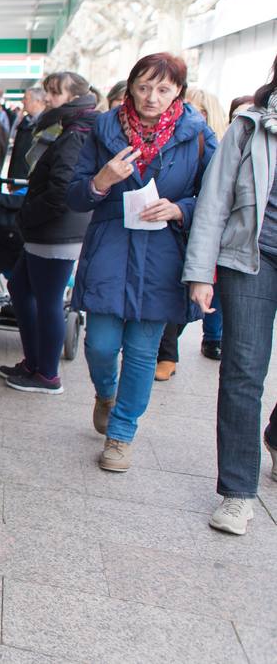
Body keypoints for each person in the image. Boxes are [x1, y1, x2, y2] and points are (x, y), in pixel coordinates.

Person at [66, 53, 215, 472]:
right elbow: (75, 193)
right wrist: (101, 181)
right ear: (130, 86)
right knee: (100, 345)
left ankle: (122, 434)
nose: (152, 97)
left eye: (163, 89)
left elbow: (217, 197)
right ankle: (106, 394)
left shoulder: (197, 134)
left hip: (164, 255)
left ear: (178, 93)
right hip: (111, 245)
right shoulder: (104, 127)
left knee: (141, 352)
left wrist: (181, 208)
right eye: (144, 87)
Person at [184, 56, 277, 535]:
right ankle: (238, 493)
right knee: (244, 371)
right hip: (250, 260)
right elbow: (215, 200)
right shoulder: (250, 127)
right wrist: (201, 273)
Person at [0, 72, 97, 393]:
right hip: (51, 230)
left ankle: (47, 374)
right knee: (20, 287)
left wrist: (28, 215)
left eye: (55, 93)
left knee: (48, 300)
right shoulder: (75, 126)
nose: (49, 97)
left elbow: (61, 190)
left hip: (55, 231)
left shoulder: (76, 132)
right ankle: (34, 362)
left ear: (73, 98)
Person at [155, 86, 229, 381]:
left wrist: (183, 209)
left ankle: (175, 349)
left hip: (204, 233)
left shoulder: (214, 145)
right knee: (172, 291)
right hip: (175, 232)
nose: (190, 114)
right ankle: (166, 352)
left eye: (200, 110)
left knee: (192, 295)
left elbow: (218, 196)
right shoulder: (174, 141)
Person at [8, 86, 48, 180]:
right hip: (18, 178)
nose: (22, 102)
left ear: (38, 101)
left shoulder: (47, 124)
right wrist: (11, 176)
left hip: (32, 181)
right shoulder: (25, 122)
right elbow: (16, 152)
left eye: (26, 98)